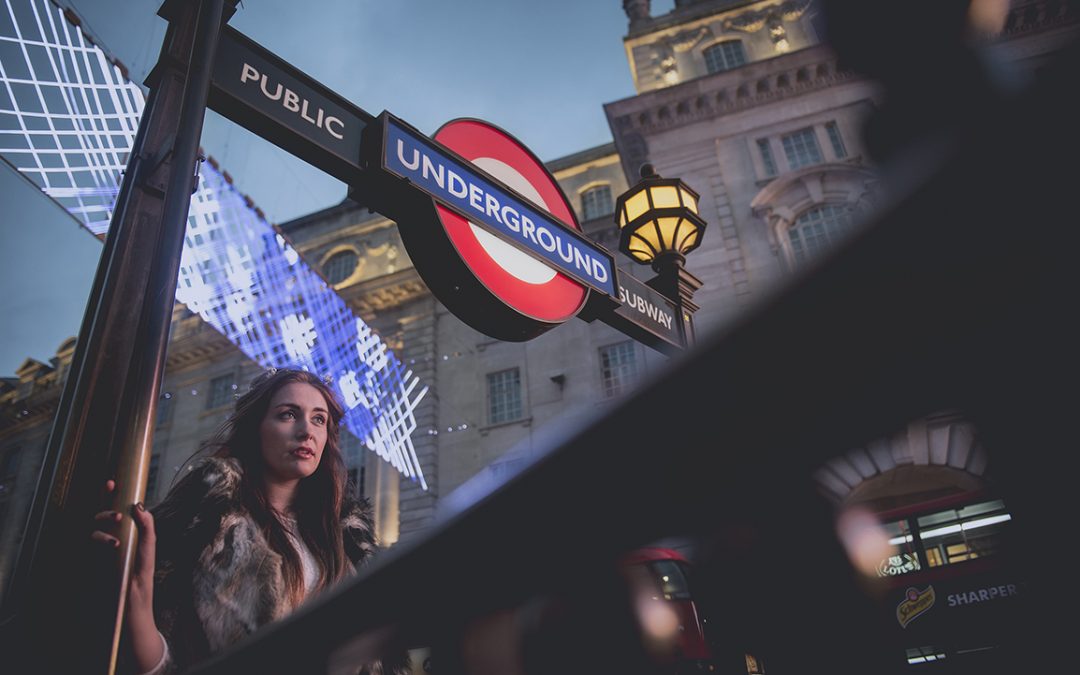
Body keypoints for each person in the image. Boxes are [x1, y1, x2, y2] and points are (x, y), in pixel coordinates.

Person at [92, 367, 408, 675]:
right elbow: (166, 663)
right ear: (256, 427)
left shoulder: (344, 541)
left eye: (319, 419)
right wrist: (136, 594)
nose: (306, 431)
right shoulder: (201, 527)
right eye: (288, 414)